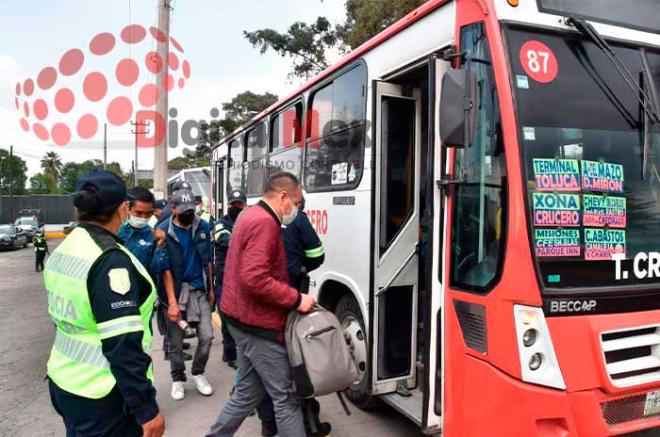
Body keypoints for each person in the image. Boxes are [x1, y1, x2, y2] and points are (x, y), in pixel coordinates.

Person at [44, 170, 164, 437]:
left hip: (64, 381)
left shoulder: (68, 246)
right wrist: (146, 409)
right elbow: (122, 343)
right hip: (101, 394)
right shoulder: (110, 261)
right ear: (122, 208)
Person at [206, 171, 315, 437]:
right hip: (259, 326)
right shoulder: (265, 222)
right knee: (286, 398)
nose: (297, 210)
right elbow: (254, 278)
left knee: (246, 394)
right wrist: (296, 298)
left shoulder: (248, 215)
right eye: (297, 203)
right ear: (283, 196)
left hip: (240, 320)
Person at [256, 196, 330, 437]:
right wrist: (300, 266)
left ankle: (268, 425)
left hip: (261, 306)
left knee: (264, 367)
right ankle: (309, 423)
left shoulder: (256, 219)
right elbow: (317, 255)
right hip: (291, 300)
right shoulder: (299, 220)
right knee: (297, 361)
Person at [157, 188, 215, 400]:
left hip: (199, 290)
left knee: (207, 335)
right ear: (173, 209)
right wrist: (169, 302)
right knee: (175, 341)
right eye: (183, 210)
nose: (189, 214)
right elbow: (163, 269)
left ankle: (198, 372)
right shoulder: (163, 230)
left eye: (191, 209)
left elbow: (208, 260)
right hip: (175, 293)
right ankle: (178, 378)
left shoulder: (203, 227)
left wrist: (211, 289)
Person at [213, 189, 247, 369]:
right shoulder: (221, 223)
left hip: (242, 278)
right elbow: (224, 239)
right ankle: (230, 353)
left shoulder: (246, 222)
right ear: (228, 205)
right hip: (225, 279)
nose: (235, 207)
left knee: (241, 317)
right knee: (227, 317)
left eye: (239, 204)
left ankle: (238, 352)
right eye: (233, 204)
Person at [118, 187, 167, 282]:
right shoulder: (116, 231)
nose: (143, 217)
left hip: (141, 292)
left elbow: (156, 270)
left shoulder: (153, 235)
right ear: (128, 208)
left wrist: (159, 247)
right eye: (139, 213)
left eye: (149, 213)